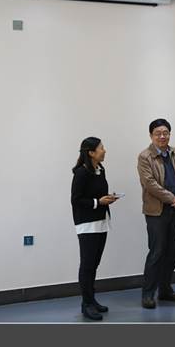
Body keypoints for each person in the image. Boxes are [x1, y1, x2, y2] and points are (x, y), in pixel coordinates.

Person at [137, 119, 175, 309]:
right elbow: (149, 183)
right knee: (157, 252)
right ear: (151, 135)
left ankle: (165, 290)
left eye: (165, 132)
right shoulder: (145, 157)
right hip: (156, 211)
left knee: (173, 253)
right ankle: (148, 294)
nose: (162, 136)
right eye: (158, 133)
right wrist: (172, 198)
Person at [71, 137, 119, 321]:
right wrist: (97, 202)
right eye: (101, 148)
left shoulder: (100, 169)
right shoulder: (81, 173)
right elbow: (76, 200)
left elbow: (98, 195)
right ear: (91, 153)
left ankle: (92, 299)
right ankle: (86, 304)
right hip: (87, 224)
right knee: (87, 265)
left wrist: (108, 198)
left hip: (101, 221)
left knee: (94, 264)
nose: (104, 150)